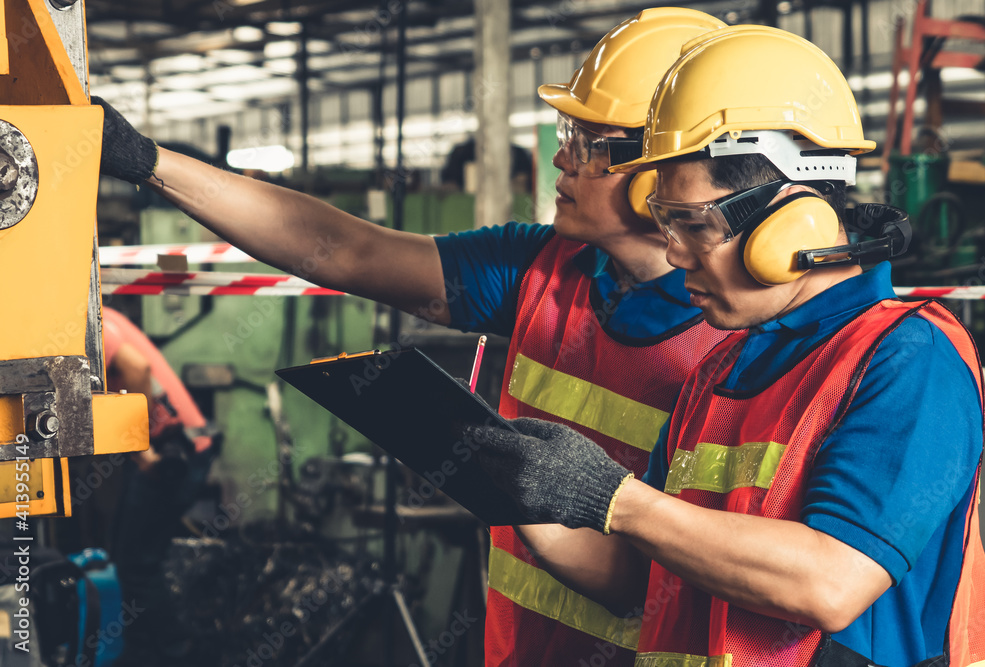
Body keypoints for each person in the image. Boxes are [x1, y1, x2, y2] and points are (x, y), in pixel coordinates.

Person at [93, 9, 733, 665]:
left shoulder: (743, 338)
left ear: (663, 173)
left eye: (590, 143)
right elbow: (344, 249)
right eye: (570, 134)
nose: (560, 156)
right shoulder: (540, 269)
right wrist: (148, 161)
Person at [468, 25, 985, 667]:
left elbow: (830, 582)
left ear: (790, 223)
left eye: (692, 224)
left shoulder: (908, 357)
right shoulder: (719, 371)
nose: (672, 251)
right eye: (666, 222)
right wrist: (520, 490)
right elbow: (638, 579)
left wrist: (617, 499)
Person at [102, 306, 218, 661]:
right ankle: (149, 653)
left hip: (172, 454)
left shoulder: (87, 320)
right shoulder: (100, 312)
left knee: (136, 566)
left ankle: (174, 652)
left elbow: (137, 368)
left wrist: (141, 449)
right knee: (130, 560)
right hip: (180, 448)